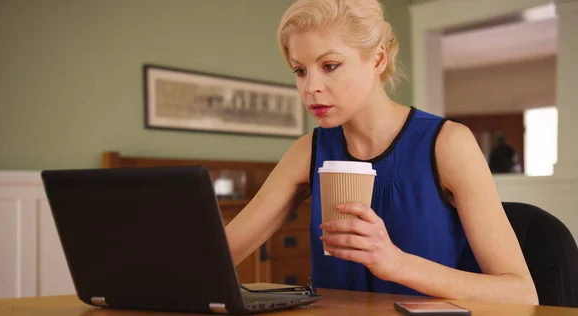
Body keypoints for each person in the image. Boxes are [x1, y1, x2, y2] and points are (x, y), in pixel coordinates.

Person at [224, 0, 538, 305]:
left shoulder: (449, 143)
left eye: (330, 65)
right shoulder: (308, 151)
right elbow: (222, 253)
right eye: (300, 71)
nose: (311, 87)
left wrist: (396, 263)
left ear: (377, 59)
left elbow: (521, 294)